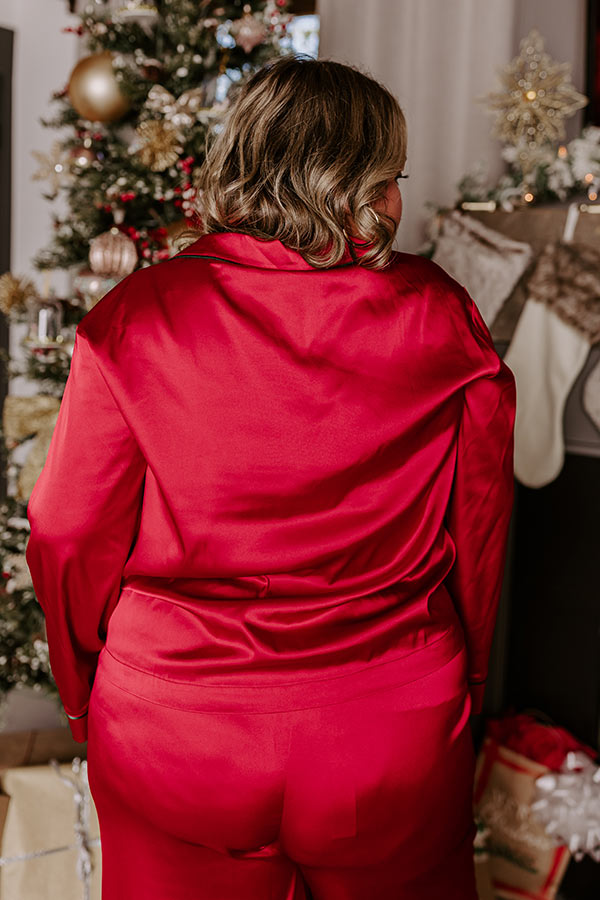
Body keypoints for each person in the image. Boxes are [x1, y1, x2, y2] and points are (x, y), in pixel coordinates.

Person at [25, 55, 516, 900]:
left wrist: (81, 690)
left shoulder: (136, 316)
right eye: (389, 177)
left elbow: (68, 532)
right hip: (386, 719)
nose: (395, 199)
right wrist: (465, 681)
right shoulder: (442, 313)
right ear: (351, 183)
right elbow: (480, 518)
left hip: (174, 726)